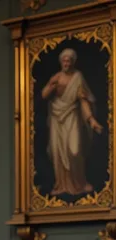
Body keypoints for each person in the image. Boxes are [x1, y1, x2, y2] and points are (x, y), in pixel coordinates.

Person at [42, 47, 103, 196]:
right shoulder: (56, 77)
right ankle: (61, 185)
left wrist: (91, 120)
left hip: (73, 116)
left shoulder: (78, 77)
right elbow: (44, 95)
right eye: (64, 60)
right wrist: (51, 86)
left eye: (69, 60)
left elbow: (83, 100)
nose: (66, 63)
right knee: (58, 152)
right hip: (57, 117)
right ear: (61, 62)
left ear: (73, 62)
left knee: (74, 151)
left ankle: (80, 183)